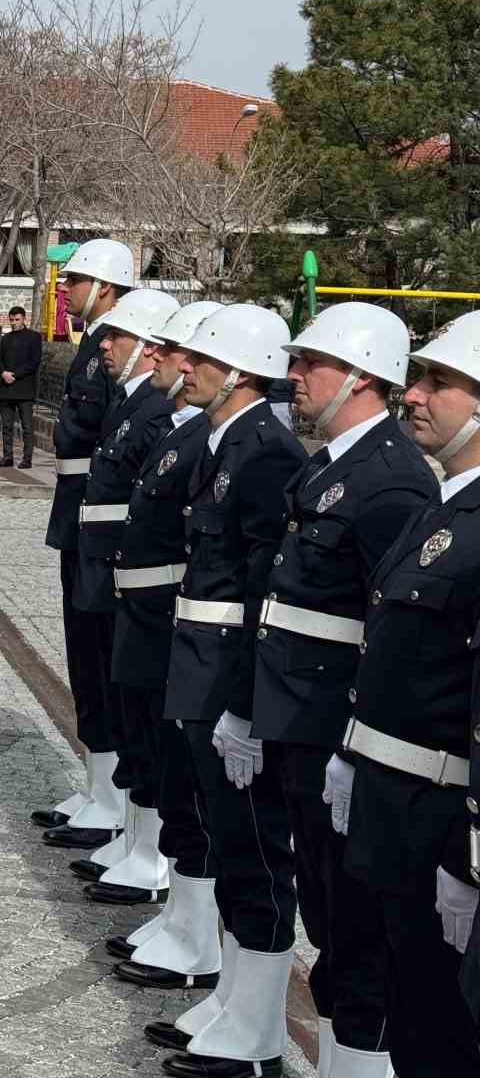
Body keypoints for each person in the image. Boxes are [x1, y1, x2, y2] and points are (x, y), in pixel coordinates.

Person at [235, 304, 432, 1076]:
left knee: (354, 935)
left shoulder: (389, 483)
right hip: (297, 722)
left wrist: (355, 744)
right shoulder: (328, 465)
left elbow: (392, 637)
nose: (294, 378)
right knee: (325, 912)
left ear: (360, 377)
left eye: (310, 365)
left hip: (335, 733)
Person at [322, 310, 480, 1076]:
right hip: (392, 807)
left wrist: (467, 857)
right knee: (403, 1011)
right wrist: (353, 750)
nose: (412, 395)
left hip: (439, 822)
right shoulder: (440, 504)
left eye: (438, 382)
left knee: (443, 1034)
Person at [156, 305, 307, 1078]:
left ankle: (260, 1030)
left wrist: (247, 702)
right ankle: (234, 998)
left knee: (252, 847)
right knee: (224, 834)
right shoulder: (228, 445)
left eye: (201, 363)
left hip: (226, 669)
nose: (186, 371)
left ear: (238, 373)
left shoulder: (265, 453)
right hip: (199, 661)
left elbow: (260, 591)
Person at [94, 304, 228, 1015]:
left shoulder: (218, 442)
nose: (169, 362)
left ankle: (194, 932)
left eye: (183, 352)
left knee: (192, 791)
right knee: (156, 761)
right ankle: (178, 914)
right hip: (149, 617)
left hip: (179, 628)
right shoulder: (184, 432)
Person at [61, 289, 182, 884]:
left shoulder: (155, 413)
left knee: (135, 711)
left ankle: (148, 851)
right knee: (115, 700)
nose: (104, 343)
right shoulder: (133, 405)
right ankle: (134, 837)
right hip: (105, 568)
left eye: (120, 337)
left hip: (128, 581)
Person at [31, 238, 133, 841]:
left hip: (98, 512)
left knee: (97, 653)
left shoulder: (113, 345)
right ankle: (98, 785)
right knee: (83, 654)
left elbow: (94, 435)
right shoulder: (93, 342)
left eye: (74, 281)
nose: (64, 291)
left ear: (105, 285)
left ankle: (114, 796)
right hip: (78, 507)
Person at [0, 305, 42, 468]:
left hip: (24, 390)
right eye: (11, 320)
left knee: (27, 427)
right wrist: (3, 373)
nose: (14, 323)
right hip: (7, 389)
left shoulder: (34, 337)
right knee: (6, 426)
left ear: (24, 319)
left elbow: (34, 363)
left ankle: (27, 459)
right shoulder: (5, 339)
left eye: (17, 319)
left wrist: (14, 375)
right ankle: (7, 456)